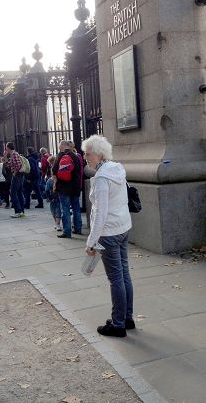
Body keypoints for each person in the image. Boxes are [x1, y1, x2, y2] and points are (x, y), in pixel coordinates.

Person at [82, 134, 133, 338]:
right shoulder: (117, 169)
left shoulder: (102, 178)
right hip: (123, 227)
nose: (85, 157)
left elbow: (100, 214)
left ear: (99, 154)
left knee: (116, 279)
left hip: (109, 233)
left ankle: (118, 323)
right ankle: (126, 317)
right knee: (124, 274)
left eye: (88, 154)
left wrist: (91, 241)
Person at [52, 140, 82, 238]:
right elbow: (79, 170)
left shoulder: (60, 156)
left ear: (62, 146)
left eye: (59, 147)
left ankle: (67, 232)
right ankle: (78, 228)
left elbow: (54, 170)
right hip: (75, 187)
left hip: (64, 187)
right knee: (76, 208)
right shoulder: (75, 156)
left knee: (65, 210)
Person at [3, 142, 25, 218]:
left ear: (8, 147)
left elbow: (18, 165)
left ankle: (18, 211)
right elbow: (8, 165)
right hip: (19, 175)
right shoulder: (13, 154)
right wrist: (5, 157)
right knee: (19, 193)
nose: (6, 149)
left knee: (12, 193)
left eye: (6, 147)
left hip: (17, 175)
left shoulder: (14, 154)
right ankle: (21, 211)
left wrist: (15, 172)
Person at [44, 156, 62, 231]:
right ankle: (57, 223)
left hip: (54, 196)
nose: (50, 164)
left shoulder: (50, 180)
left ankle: (57, 223)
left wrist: (48, 197)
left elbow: (47, 190)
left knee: (55, 209)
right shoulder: (57, 166)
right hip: (57, 195)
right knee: (56, 209)